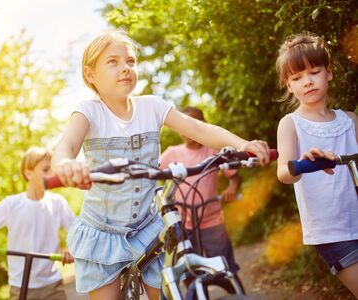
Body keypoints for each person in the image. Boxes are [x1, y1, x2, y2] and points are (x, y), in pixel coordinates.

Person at [51, 30, 271, 300]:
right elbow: (67, 145)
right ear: (90, 74)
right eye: (113, 62)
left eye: (131, 61)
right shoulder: (88, 112)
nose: (125, 68)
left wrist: (241, 144)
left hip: (146, 227)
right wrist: (64, 164)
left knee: (166, 292)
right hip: (103, 234)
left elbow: (198, 129)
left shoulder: (152, 106)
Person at [275, 32, 358, 297]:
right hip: (331, 230)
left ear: (329, 73)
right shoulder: (291, 124)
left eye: (314, 72)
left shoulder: (351, 120)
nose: (307, 82)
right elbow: (283, 174)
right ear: (289, 86)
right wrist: (300, 164)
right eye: (297, 78)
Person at [0, 147, 75, 300]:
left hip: (52, 286)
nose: (51, 175)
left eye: (52, 170)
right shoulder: (12, 204)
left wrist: (70, 248)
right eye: (46, 170)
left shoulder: (57, 202)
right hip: (21, 288)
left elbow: (76, 231)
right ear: (28, 173)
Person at [160, 106, 241, 276]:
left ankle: (235, 291)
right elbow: (153, 175)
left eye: (193, 125)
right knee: (189, 271)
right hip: (183, 224)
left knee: (225, 268)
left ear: (203, 124)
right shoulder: (172, 153)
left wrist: (232, 188)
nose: (187, 131)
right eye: (182, 127)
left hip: (212, 221)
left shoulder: (213, 150)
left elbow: (233, 175)